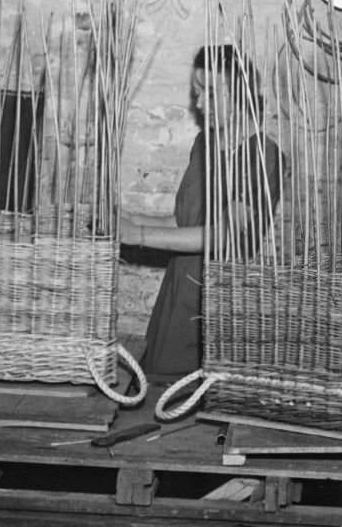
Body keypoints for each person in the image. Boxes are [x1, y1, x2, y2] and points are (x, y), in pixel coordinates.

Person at [121, 43, 288, 382]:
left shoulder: (261, 155)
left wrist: (137, 235)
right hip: (177, 296)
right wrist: (128, 219)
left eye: (210, 93)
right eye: (196, 92)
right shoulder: (204, 145)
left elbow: (224, 235)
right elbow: (185, 221)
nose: (198, 104)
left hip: (214, 300)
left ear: (240, 93)